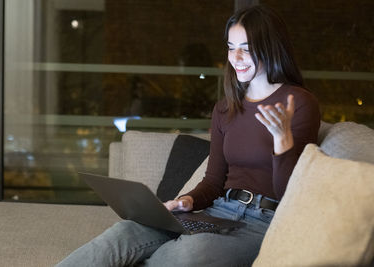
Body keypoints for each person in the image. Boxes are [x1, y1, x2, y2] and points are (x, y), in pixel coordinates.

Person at [56, 4, 320, 267]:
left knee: (187, 254)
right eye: (230, 47)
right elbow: (214, 181)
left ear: (271, 47)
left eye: (246, 49)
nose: (235, 57)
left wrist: (282, 141)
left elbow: (292, 196)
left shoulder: (298, 103)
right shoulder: (226, 108)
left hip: (262, 223)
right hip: (218, 212)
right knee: (124, 232)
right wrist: (188, 200)